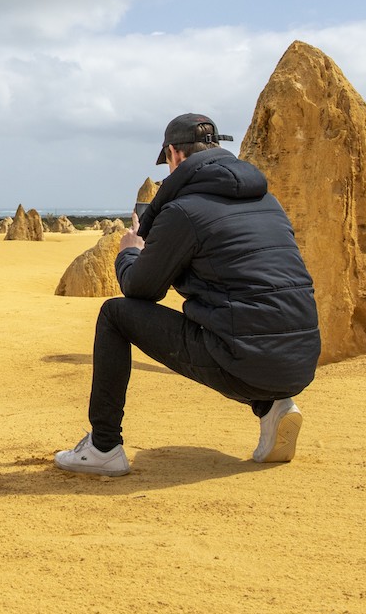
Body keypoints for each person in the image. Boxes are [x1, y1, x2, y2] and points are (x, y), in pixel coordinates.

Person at [55, 113, 321, 476]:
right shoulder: (268, 202)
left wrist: (131, 249)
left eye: (166, 162)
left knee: (115, 315)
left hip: (245, 360)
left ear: (175, 154)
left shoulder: (184, 210)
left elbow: (139, 289)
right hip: (301, 360)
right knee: (246, 324)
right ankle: (272, 406)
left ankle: (103, 447)